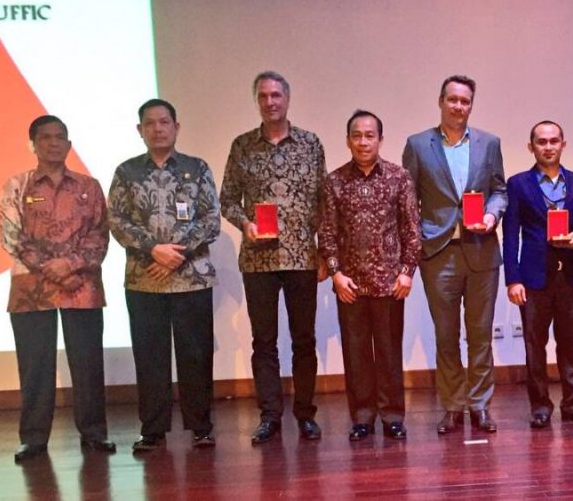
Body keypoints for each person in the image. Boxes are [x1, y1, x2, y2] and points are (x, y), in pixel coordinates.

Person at [0, 115, 114, 462]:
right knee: (35, 366)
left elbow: (100, 234)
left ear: (69, 144)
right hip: (32, 289)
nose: (53, 143)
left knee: (88, 364)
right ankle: (33, 439)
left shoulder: (89, 186)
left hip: (82, 286)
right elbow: (11, 237)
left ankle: (94, 433)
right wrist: (54, 269)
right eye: (45, 137)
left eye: (60, 137)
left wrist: (70, 265)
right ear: (32, 145)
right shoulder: (16, 186)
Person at [220, 71, 327, 443]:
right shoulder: (242, 146)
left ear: (287, 98)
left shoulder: (311, 144)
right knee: (264, 342)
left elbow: (323, 202)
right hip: (258, 260)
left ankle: (306, 414)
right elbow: (227, 200)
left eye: (276, 95)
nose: (270, 102)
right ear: (257, 101)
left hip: (301, 258)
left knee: (304, 340)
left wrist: (324, 251)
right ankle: (269, 416)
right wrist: (245, 223)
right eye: (263, 96)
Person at [109, 99, 220, 450]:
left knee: (196, 356)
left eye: (164, 122)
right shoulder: (126, 172)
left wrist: (176, 253)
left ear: (176, 127)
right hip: (145, 280)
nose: (157, 129)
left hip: (191, 279)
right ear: (139, 130)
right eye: (150, 123)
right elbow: (116, 220)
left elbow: (211, 220)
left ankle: (201, 427)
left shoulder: (197, 168)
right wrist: (152, 249)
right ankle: (153, 430)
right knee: (149, 357)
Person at [402, 75, 507, 434]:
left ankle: (479, 405)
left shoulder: (489, 143)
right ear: (441, 101)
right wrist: (418, 240)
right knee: (446, 336)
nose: (459, 106)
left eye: (465, 101)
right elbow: (408, 201)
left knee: (480, 335)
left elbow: (499, 190)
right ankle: (452, 405)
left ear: (471, 105)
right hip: (439, 252)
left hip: (482, 252)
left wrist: (492, 215)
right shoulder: (418, 145)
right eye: (453, 100)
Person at [320, 110, 421, 440]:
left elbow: (412, 229)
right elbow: (327, 233)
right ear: (348, 140)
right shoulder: (334, 181)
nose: (363, 142)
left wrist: (407, 272)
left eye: (369, 135)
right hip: (349, 285)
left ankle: (392, 416)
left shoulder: (399, 177)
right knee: (356, 355)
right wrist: (335, 274)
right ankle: (362, 417)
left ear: (380, 139)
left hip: (390, 285)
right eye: (357, 135)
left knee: (389, 355)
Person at [503, 120, 573, 429]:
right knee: (535, 345)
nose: (548, 147)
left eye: (553, 141)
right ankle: (540, 406)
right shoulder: (518, 184)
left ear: (563, 144)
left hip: (570, 275)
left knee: (570, 342)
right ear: (531, 147)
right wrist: (512, 279)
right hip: (533, 278)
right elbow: (511, 234)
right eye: (541, 142)